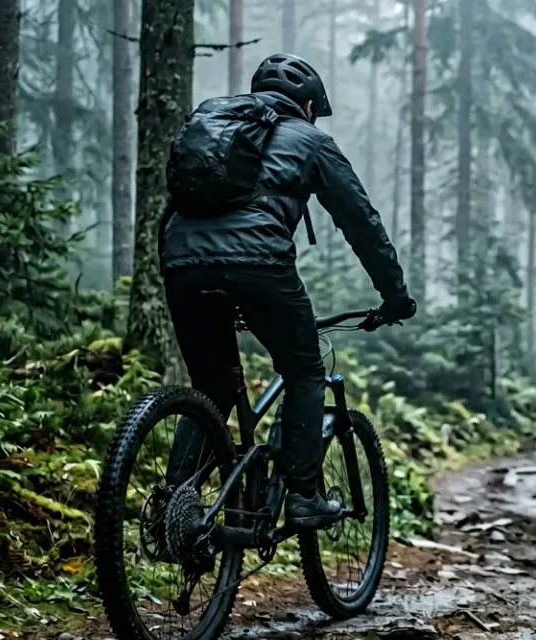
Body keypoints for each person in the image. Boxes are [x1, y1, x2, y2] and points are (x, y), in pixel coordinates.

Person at [160, 54, 416, 529]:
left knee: (212, 387)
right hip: (259, 265)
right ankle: (303, 495)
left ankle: (176, 501)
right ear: (310, 105)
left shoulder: (214, 124)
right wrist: (395, 296)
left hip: (181, 260)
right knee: (303, 368)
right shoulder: (312, 140)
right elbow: (361, 223)